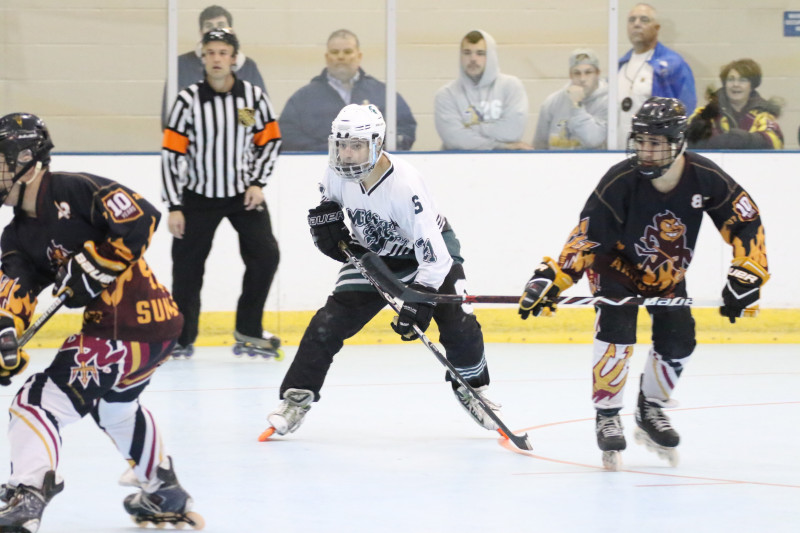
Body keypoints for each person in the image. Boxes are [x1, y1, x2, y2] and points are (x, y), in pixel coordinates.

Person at [518, 97, 768, 470]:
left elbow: (745, 220)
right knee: (617, 329)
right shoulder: (620, 180)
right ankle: (607, 414)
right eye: (641, 142)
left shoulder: (705, 177)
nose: (646, 152)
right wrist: (555, 278)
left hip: (667, 274)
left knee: (680, 339)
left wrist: (747, 272)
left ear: (678, 142)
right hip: (615, 267)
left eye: (656, 143)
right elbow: (587, 237)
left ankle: (650, 408)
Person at [0, 113, 202, 530]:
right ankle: (163, 491)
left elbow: (142, 217)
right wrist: (4, 332)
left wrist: (95, 265)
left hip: (122, 329)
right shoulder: (16, 235)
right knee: (116, 410)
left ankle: (28, 493)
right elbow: (14, 292)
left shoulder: (74, 189)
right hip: (151, 334)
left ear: (28, 161)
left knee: (35, 402)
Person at [262, 103, 501, 438]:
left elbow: (434, 255)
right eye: (341, 144)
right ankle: (296, 398)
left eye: (356, 145)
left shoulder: (404, 185)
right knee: (327, 323)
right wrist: (329, 231)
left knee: (458, 321)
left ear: (377, 144)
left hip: (428, 255)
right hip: (375, 256)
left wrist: (422, 299)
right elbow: (332, 213)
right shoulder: (334, 173)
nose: (347, 153)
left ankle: (473, 389)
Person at [162, 28, 282, 358]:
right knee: (186, 268)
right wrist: (174, 205)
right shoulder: (188, 101)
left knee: (266, 256)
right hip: (197, 197)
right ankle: (181, 337)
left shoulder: (250, 100)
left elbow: (268, 140)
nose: (217, 58)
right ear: (203, 58)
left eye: (223, 52)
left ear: (234, 58)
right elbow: (172, 154)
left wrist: (258, 182)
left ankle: (249, 329)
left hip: (243, 196)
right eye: (211, 52)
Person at [279, 29, 417, 152]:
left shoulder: (383, 94)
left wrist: (370, 149)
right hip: (318, 167)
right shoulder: (303, 98)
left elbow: (405, 129)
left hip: (374, 169)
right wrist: (329, 150)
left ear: (359, 56)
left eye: (347, 51)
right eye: (335, 52)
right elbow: (287, 134)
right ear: (327, 57)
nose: (341, 56)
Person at [161, 4, 267, 129]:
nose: (215, 31)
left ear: (231, 31)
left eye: (221, 25)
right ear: (201, 33)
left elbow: (257, 117)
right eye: (209, 26)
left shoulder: (247, 67)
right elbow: (170, 117)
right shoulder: (181, 65)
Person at [434, 30, 532, 150]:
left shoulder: (511, 86)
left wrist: (469, 128)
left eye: (480, 53)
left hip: (504, 160)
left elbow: (512, 131)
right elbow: (454, 139)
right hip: (460, 161)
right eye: (467, 53)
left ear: (491, 56)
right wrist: (499, 146)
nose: (473, 59)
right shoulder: (446, 94)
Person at [617, 4, 696, 148]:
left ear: (657, 27)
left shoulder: (674, 65)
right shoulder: (620, 66)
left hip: (657, 152)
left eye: (644, 20)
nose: (636, 24)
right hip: (620, 149)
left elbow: (687, 108)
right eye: (632, 20)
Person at [686, 58, 783, 149]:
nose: (736, 84)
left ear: (752, 85)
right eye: (731, 79)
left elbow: (775, 142)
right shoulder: (705, 113)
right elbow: (687, 140)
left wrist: (743, 138)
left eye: (742, 80)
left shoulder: (762, 114)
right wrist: (723, 141)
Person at [533, 48, 609, 150]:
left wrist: (577, 105)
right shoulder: (552, 102)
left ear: (598, 73)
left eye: (588, 72)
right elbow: (540, 145)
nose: (582, 79)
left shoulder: (608, 102)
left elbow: (593, 140)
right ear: (570, 75)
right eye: (577, 73)